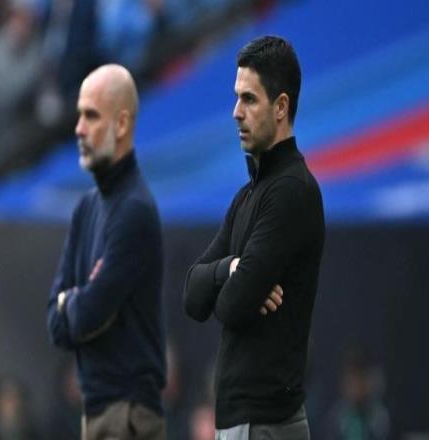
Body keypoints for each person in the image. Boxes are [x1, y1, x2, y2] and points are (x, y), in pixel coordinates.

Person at [184, 36, 325, 439]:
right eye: (236, 98)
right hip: (244, 422)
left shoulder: (291, 191)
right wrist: (232, 268)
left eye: (249, 99)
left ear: (281, 107)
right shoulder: (248, 195)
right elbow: (192, 296)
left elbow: (230, 305)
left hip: (267, 423)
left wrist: (234, 284)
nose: (236, 112)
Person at [47, 64, 166, 440]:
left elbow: (88, 313)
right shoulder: (86, 208)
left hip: (128, 414)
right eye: (79, 115)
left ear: (122, 124)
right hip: (97, 413)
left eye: (91, 116)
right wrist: (75, 304)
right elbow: (54, 323)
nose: (79, 128)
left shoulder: (134, 210)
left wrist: (71, 302)